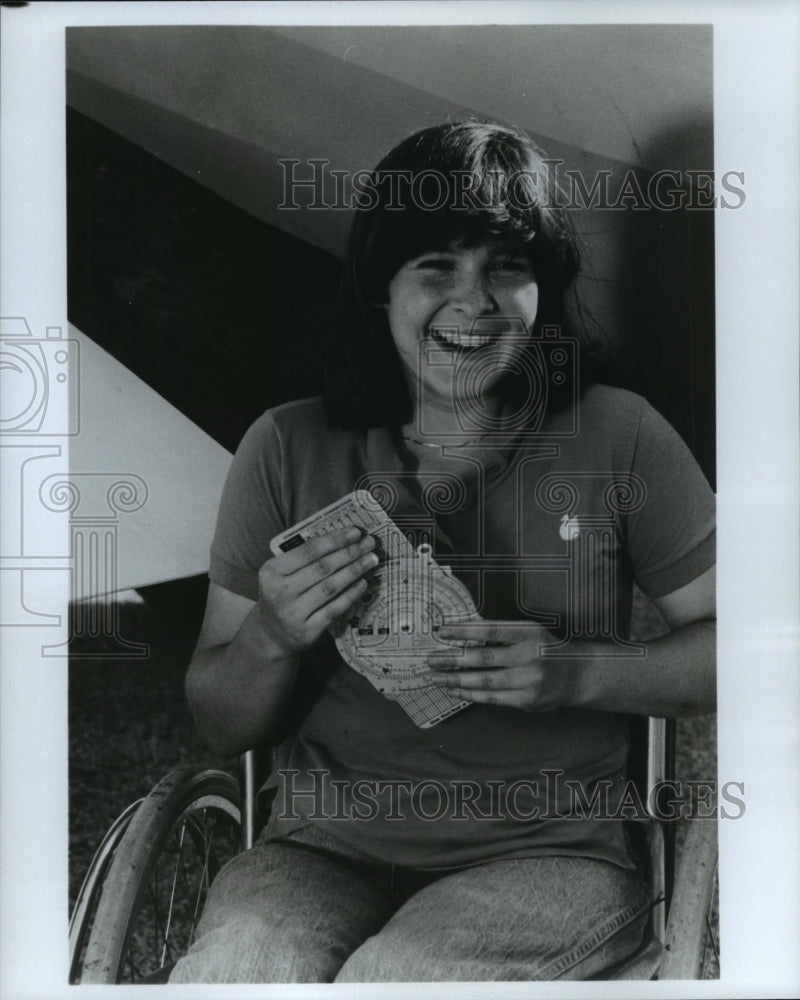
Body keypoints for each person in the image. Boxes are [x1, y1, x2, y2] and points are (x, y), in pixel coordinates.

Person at [170, 121, 716, 983]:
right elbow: (219, 722)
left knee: (395, 981)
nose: (477, 301)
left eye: (508, 265)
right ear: (380, 291)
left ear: (547, 287)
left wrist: (576, 673)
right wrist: (272, 635)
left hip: (552, 857)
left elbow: (757, 656)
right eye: (436, 267)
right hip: (320, 853)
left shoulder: (621, 434)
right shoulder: (286, 446)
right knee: (237, 968)